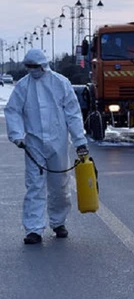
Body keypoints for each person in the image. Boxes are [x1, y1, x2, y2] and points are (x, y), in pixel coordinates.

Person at [5, 49, 89, 244]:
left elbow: (73, 114)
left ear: (43, 65)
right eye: (29, 67)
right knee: (34, 186)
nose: (32, 70)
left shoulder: (60, 83)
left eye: (35, 67)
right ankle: (34, 229)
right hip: (33, 144)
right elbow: (13, 110)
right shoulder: (23, 86)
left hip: (58, 142)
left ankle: (58, 222)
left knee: (59, 185)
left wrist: (80, 142)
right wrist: (17, 136)